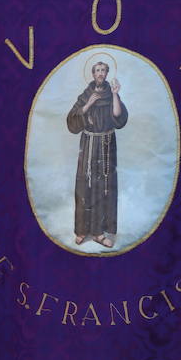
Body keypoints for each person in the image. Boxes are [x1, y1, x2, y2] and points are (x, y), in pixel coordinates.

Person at [67, 59, 129, 249]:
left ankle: (100, 232)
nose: (101, 73)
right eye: (97, 70)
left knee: (104, 187)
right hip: (88, 145)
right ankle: (82, 230)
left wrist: (116, 95)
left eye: (103, 70)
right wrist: (88, 104)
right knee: (85, 185)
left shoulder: (111, 94)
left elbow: (118, 116)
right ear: (92, 74)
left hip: (106, 144)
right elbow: (72, 121)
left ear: (107, 73)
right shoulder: (86, 95)